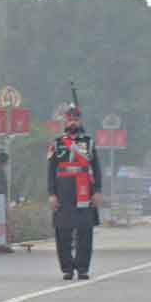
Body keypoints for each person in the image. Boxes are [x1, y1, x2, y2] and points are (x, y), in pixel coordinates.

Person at [48, 104, 103, 280]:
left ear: (80, 121)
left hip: (84, 192)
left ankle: (82, 268)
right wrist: (51, 194)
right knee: (62, 232)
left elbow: (96, 168)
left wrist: (97, 191)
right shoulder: (57, 143)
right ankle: (67, 268)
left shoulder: (89, 142)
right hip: (63, 193)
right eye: (70, 119)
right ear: (65, 121)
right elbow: (51, 170)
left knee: (85, 231)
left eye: (76, 119)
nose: (73, 122)